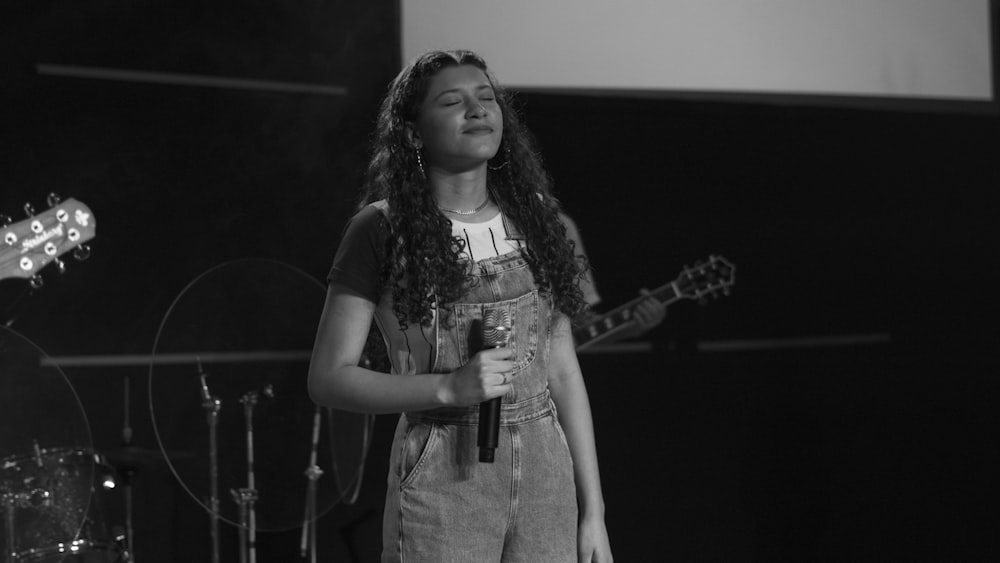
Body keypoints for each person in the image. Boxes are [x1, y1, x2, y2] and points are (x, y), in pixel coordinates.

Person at [307, 50, 613, 562]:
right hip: (443, 472)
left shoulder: (540, 220)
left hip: (545, 475)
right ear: (412, 132)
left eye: (487, 98)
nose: (478, 110)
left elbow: (560, 368)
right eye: (453, 101)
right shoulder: (382, 229)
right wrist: (448, 386)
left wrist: (594, 513)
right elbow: (328, 378)